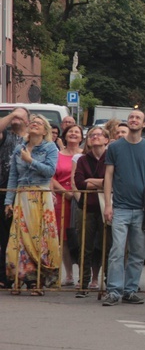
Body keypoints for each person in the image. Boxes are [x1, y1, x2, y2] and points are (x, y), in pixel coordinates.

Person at [102, 109, 145, 306]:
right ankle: (114, 291)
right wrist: (108, 204)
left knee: (137, 252)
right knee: (117, 250)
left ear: (144, 124)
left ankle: (130, 290)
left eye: (137, 118)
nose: (133, 120)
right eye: (131, 117)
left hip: (142, 208)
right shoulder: (115, 147)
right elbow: (108, 176)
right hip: (120, 207)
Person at [4, 115, 59, 294]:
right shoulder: (19, 148)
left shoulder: (50, 147)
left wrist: (30, 161)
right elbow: (13, 176)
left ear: (45, 130)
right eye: (32, 122)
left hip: (41, 196)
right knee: (19, 239)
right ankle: (19, 279)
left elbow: (50, 171)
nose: (34, 124)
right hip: (22, 195)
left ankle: (38, 282)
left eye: (39, 123)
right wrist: (8, 201)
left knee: (39, 239)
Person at [73, 126, 109, 298]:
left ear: (106, 139)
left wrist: (92, 181)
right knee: (85, 246)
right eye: (91, 135)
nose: (94, 137)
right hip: (87, 206)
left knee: (107, 246)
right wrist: (102, 182)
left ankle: (110, 283)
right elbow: (79, 183)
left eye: (98, 135)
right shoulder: (82, 160)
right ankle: (83, 282)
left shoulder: (111, 158)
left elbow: (114, 181)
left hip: (106, 207)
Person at [0, 107, 29, 289]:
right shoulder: (6, 135)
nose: (17, 116)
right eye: (14, 114)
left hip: (26, 193)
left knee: (25, 237)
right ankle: (5, 276)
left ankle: (27, 276)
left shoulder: (32, 138)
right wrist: (11, 115)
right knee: (5, 237)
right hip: (4, 191)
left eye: (21, 114)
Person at [52, 123, 84, 286]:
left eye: (77, 132)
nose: (73, 134)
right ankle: (69, 274)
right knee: (64, 239)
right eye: (70, 131)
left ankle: (83, 274)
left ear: (81, 136)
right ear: (64, 136)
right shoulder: (57, 155)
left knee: (81, 237)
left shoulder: (85, 155)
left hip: (81, 200)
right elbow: (51, 177)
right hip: (61, 200)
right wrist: (65, 193)